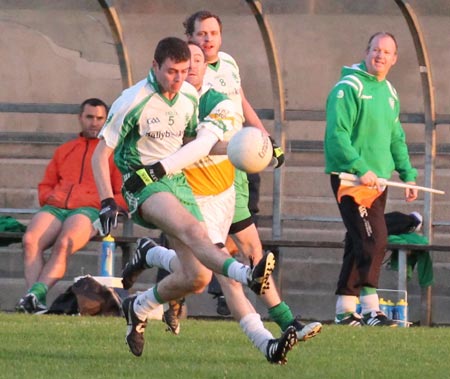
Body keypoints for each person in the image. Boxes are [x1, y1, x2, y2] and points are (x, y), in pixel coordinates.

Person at [91, 37, 283, 360]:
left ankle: (137, 306)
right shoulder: (132, 100)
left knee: (197, 277)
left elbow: (197, 142)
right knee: (197, 233)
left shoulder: (189, 97)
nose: (178, 78)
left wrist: (249, 149)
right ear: (155, 66)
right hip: (142, 182)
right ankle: (246, 273)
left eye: (183, 71)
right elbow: (100, 154)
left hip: (176, 180)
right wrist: (107, 201)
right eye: (171, 71)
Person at [183, 10, 322, 341]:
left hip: (236, 175)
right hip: (202, 183)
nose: (208, 39)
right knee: (207, 270)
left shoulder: (228, 64)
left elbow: (242, 102)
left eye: (213, 33)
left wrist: (265, 140)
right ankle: (155, 283)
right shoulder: (186, 78)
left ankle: (288, 322)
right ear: (189, 37)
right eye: (201, 34)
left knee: (253, 251)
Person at [324, 32, 419, 327]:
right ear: (367, 52)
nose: (380, 55)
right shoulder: (348, 87)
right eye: (376, 49)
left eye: (386, 52)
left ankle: (344, 310)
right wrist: (359, 166)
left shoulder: (389, 92)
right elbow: (338, 134)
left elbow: (396, 137)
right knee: (373, 240)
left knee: (359, 241)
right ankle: (370, 309)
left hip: (378, 183)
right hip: (353, 181)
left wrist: (408, 174)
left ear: (394, 59)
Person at [16, 98, 126, 314]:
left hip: (89, 208)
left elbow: (122, 193)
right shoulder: (65, 150)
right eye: (89, 117)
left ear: (106, 121)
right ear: (80, 118)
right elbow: (46, 184)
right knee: (30, 240)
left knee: (65, 243)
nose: (94, 123)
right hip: (57, 206)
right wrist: (52, 197)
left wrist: (106, 205)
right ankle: (34, 300)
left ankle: (33, 296)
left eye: (99, 118)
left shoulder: (111, 153)